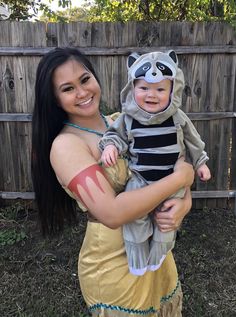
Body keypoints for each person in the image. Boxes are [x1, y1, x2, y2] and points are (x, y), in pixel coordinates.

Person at [31, 47, 194, 317]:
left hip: (154, 247)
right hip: (113, 262)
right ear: (55, 99)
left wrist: (185, 202)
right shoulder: (66, 145)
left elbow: (168, 161)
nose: (82, 93)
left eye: (85, 80)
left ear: (95, 77)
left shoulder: (122, 121)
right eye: (67, 88)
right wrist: (182, 177)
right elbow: (113, 213)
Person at [99, 50, 211, 276]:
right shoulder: (127, 118)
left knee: (166, 219)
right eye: (143, 88)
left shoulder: (177, 117)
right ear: (132, 89)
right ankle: (137, 253)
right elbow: (115, 135)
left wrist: (201, 162)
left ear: (173, 90)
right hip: (140, 178)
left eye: (160, 89)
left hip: (172, 178)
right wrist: (110, 147)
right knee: (134, 217)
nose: (152, 95)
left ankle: (160, 251)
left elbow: (193, 140)